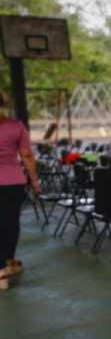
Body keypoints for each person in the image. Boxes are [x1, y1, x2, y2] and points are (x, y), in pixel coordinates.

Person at [0, 91, 41, 291]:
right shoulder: (16, 127)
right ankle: (6, 264)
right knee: (10, 224)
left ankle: (2, 270)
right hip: (12, 184)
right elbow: (26, 155)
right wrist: (35, 182)